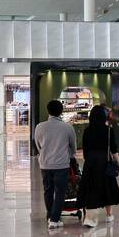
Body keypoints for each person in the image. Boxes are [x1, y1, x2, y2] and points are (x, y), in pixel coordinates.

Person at [33, 98, 76, 229]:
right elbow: (73, 147)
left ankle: (50, 215)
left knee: (48, 190)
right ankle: (54, 219)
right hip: (61, 165)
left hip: (45, 164)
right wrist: (69, 156)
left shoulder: (40, 127)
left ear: (48, 111)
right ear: (61, 111)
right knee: (60, 192)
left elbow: (38, 145)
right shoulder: (67, 127)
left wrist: (44, 155)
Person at [80, 105, 119, 227]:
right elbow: (114, 149)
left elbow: (85, 149)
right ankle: (109, 215)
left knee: (91, 186)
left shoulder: (87, 131)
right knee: (107, 187)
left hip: (90, 162)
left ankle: (89, 216)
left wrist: (88, 160)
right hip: (104, 161)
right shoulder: (109, 130)